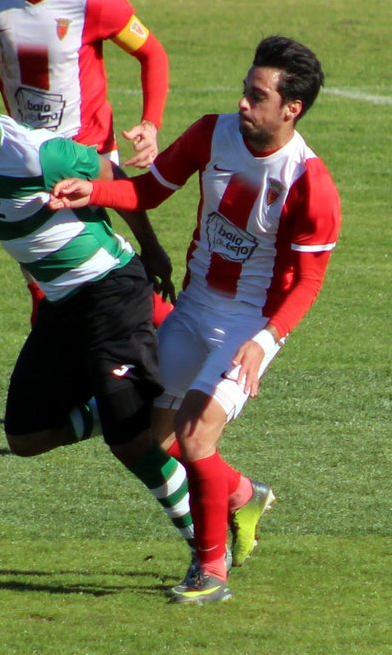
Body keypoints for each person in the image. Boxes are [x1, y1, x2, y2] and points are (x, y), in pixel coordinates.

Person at [48, 36, 342, 603]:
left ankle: (211, 572)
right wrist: (96, 191)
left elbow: (308, 282)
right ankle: (243, 496)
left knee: (196, 434)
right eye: (244, 89)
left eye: (258, 96)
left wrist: (265, 340)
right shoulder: (212, 133)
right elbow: (152, 190)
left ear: (292, 109)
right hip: (195, 307)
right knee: (154, 435)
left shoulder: (310, 184)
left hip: (249, 326)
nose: (243, 103)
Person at [0, 62, 194, 560]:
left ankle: (207, 545)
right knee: (25, 436)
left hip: (111, 290)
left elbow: (115, 178)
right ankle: (115, 408)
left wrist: (153, 250)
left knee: (131, 443)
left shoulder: (40, 153)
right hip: (63, 304)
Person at [0, 0, 174, 325]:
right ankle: (155, 327)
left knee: (80, 266)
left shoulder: (95, 2)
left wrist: (151, 123)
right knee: (50, 269)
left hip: (84, 147)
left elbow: (153, 54)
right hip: (26, 154)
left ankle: (169, 327)